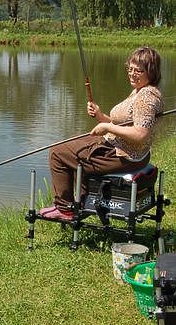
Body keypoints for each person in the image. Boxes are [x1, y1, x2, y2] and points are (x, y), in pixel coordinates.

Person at [40, 46, 164, 220]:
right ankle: (81, 200)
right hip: (125, 150)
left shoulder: (146, 97)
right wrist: (101, 116)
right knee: (72, 146)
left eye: (139, 70)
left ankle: (65, 208)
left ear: (151, 72)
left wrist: (108, 128)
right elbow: (123, 124)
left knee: (58, 153)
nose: (132, 74)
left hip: (123, 155)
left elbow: (140, 135)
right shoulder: (140, 90)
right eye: (130, 69)